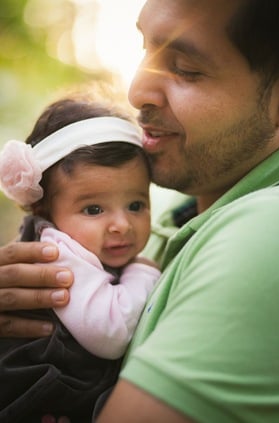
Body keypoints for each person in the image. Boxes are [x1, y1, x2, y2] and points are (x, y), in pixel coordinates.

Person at [0, 0, 279, 422]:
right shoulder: (171, 200)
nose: (135, 91)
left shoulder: (264, 233)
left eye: (186, 67)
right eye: (145, 47)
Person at [0, 96, 160, 422]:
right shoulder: (57, 253)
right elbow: (111, 332)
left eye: (135, 205)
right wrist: (143, 273)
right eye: (93, 209)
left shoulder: (81, 242)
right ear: (44, 209)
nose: (122, 225)